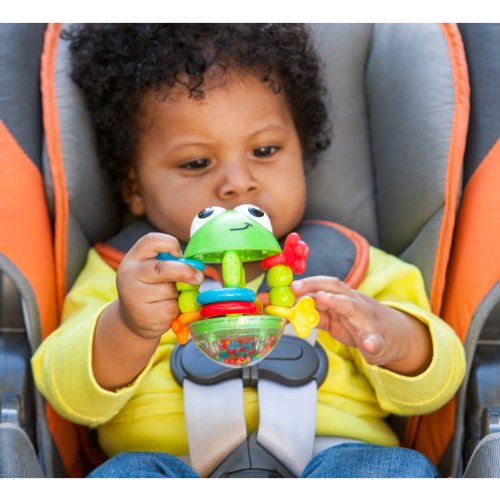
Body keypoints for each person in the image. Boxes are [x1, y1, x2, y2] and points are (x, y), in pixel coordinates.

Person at [31, 23, 465, 478]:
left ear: (301, 152)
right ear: (133, 188)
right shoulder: (125, 272)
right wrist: (127, 326)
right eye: (197, 162)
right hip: (171, 468)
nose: (237, 183)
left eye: (265, 150)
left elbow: (440, 383)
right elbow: (66, 395)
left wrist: (389, 335)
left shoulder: (353, 265)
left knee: (395, 470)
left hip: (335, 461)